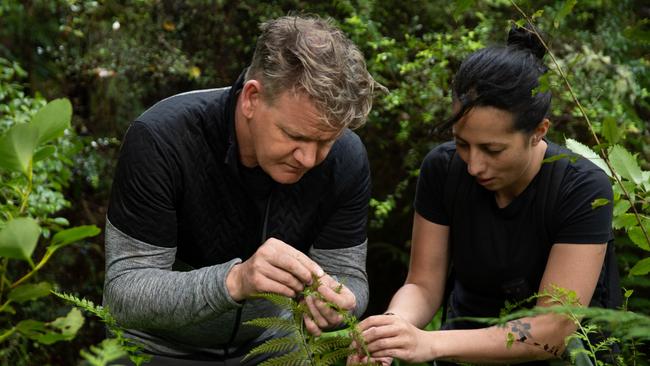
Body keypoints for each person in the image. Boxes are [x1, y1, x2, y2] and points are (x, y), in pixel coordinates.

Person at [103, 15, 383, 364]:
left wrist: (341, 302)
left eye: (325, 140)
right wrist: (235, 280)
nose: (310, 158)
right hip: (157, 349)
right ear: (252, 98)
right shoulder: (162, 139)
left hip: (274, 348)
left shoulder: (346, 159)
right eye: (295, 136)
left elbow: (351, 276)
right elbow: (124, 293)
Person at [350, 25, 621, 365]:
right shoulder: (443, 169)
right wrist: (393, 330)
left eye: (492, 149)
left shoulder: (581, 188)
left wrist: (431, 344)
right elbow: (422, 285)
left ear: (539, 132)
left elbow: (551, 329)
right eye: (462, 144)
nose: (474, 165)